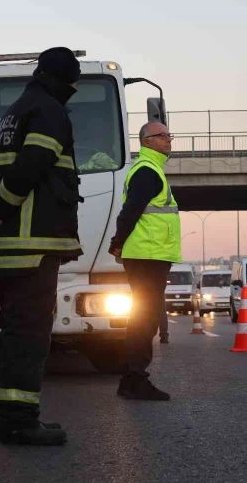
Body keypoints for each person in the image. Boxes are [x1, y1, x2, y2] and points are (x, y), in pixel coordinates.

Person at [0, 47, 84, 446]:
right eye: (73, 82)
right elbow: (32, 165)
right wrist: (0, 206)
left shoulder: (12, 115)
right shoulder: (49, 111)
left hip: (12, 247)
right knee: (30, 336)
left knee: (18, 333)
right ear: (62, 79)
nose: (73, 90)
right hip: (34, 245)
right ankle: (18, 422)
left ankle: (15, 417)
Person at [108, 121, 181, 400]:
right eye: (162, 136)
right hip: (146, 255)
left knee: (145, 316)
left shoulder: (152, 170)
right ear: (146, 141)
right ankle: (136, 379)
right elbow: (131, 210)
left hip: (151, 254)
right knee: (145, 317)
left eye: (168, 135)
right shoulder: (147, 171)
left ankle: (131, 379)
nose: (168, 140)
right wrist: (118, 243)